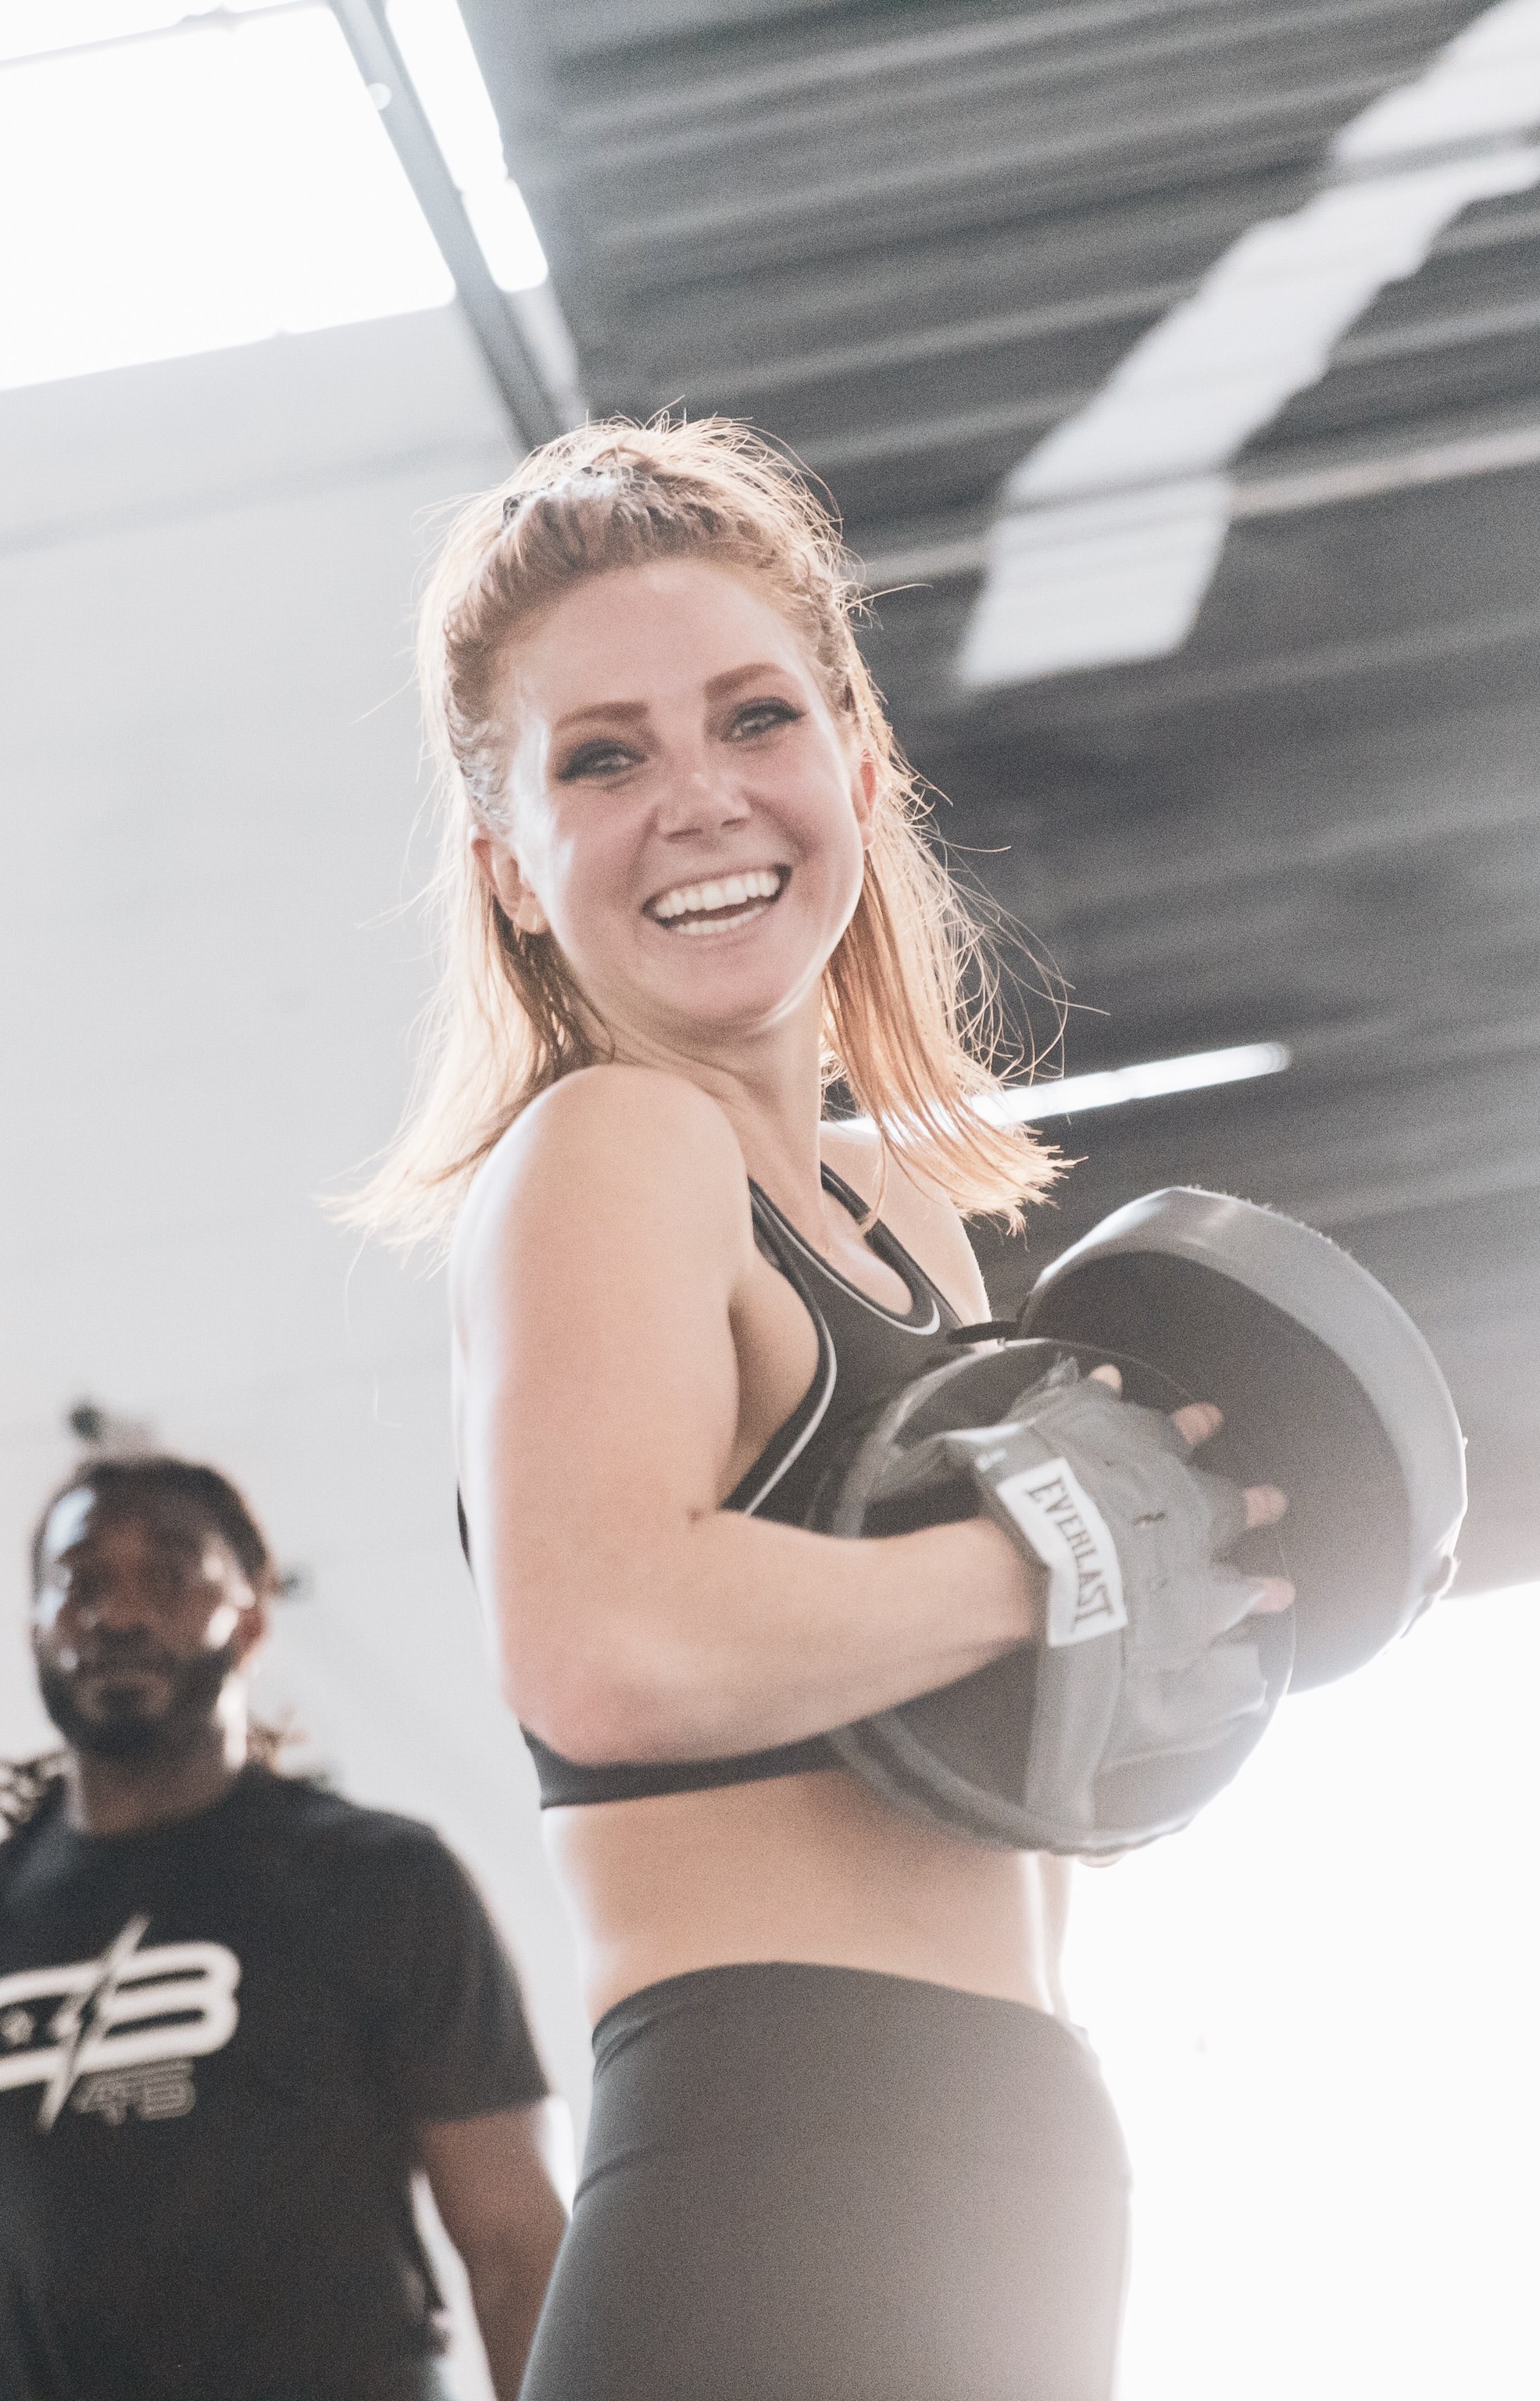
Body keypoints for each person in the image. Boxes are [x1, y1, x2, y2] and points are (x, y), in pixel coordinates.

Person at [344, 421, 1288, 2401]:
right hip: (784, 2157)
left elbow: (980, 1764)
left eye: (750, 718)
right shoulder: (612, 1142)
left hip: (1005, 2157)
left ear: (857, 767)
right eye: (601, 755)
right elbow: (605, 1644)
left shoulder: (919, 1229)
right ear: (507, 861)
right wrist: (1042, 1567)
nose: (695, 798)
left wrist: (1189, 1628)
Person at [0, 1453, 565, 2401]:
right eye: (80, 1584)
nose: (118, 1614)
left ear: (254, 1618)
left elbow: (522, 2255)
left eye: (171, 1575)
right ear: (35, 1629)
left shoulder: (383, 1882)